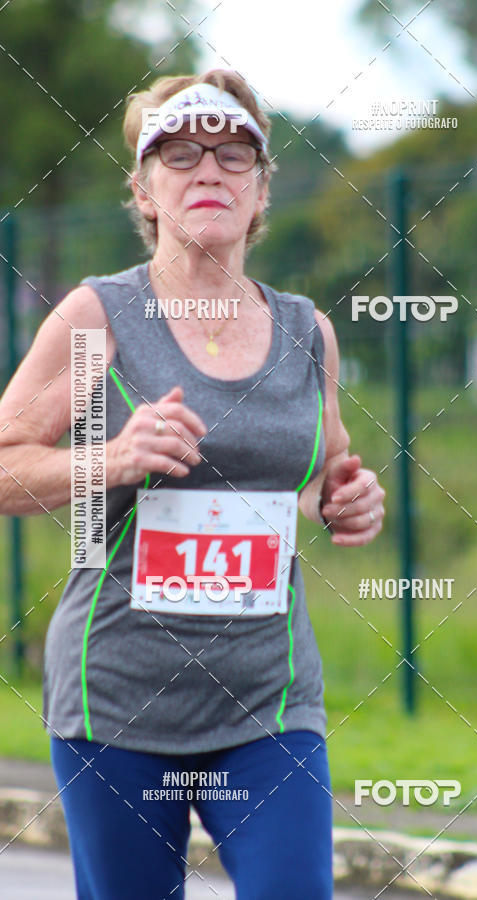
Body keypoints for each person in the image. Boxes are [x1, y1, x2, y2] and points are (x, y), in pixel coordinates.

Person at [0, 69, 385, 899]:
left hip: (268, 699)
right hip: (119, 699)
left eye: (233, 154)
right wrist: (111, 459)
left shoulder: (305, 331)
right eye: (179, 154)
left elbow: (322, 474)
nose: (208, 170)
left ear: (259, 192)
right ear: (144, 191)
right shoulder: (95, 318)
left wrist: (348, 498)